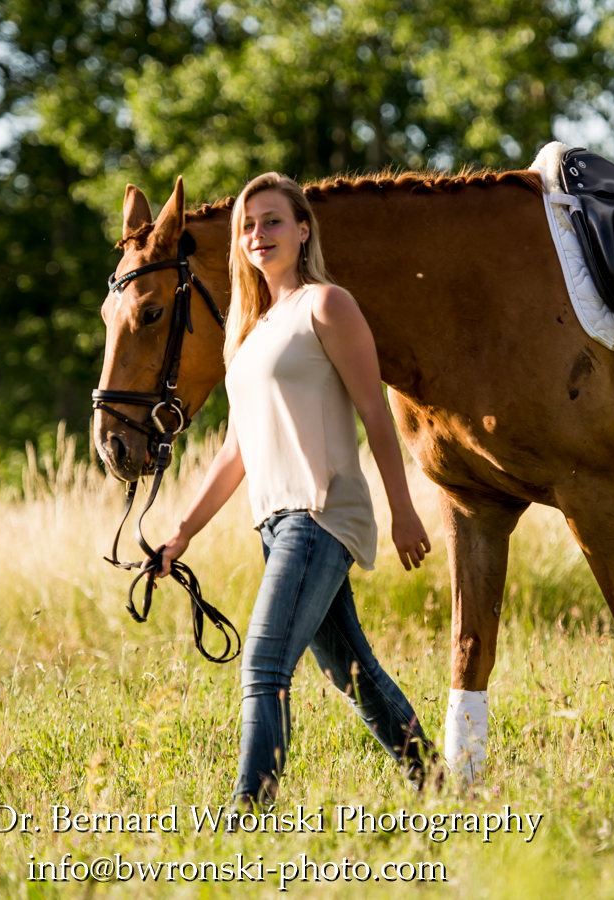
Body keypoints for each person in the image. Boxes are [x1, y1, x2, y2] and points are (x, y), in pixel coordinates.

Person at [156, 172, 435, 803]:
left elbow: (375, 411)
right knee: (352, 673)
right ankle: (440, 783)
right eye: (249, 225)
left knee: (263, 665)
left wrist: (403, 509)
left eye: (273, 220)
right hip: (275, 521)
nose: (259, 234)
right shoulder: (247, 332)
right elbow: (236, 451)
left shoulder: (326, 305)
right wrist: (182, 532)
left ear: (303, 229)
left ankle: (249, 811)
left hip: (321, 510)